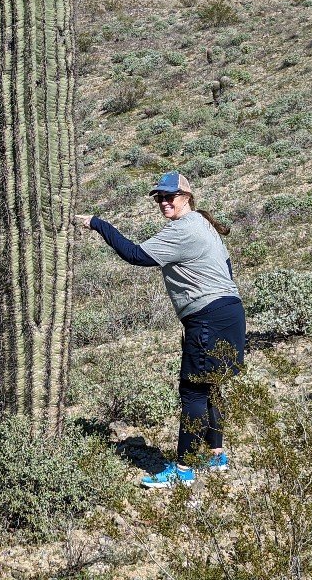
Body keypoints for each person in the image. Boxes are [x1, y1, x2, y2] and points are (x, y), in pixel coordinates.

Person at [76, 171, 246, 488]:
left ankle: (183, 471)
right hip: (230, 312)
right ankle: (216, 455)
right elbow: (227, 267)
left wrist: (98, 224)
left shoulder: (184, 229)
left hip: (207, 317)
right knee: (211, 386)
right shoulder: (204, 224)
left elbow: (135, 255)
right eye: (160, 198)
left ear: (187, 197)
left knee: (193, 391)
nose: (164, 202)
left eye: (170, 196)